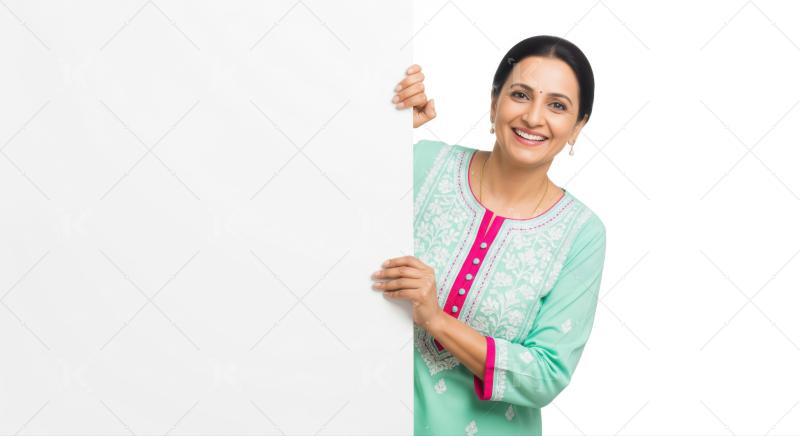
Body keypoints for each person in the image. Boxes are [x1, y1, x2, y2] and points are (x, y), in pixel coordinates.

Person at [372, 35, 607, 435]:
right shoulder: (424, 163)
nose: (533, 117)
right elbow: (327, 226)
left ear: (577, 127)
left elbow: (546, 374)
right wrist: (385, 130)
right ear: (494, 102)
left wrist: (436, 319)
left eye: (557, 105)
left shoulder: (581, 234)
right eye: (520, 95)